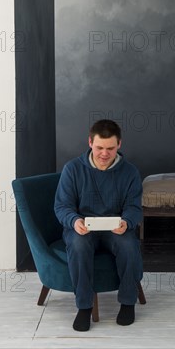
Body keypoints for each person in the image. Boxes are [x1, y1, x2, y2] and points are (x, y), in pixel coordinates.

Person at [54, 119, 143, 332]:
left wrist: (126, 222)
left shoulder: (130, 172)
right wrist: (74, 221)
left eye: (110, 148)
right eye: (99, 147)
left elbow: (134, 207)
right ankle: (84, 307)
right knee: (78, 244)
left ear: (119, 145)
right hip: (82, 227)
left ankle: (128, 303)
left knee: (129, 245)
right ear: (90, 143)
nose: (104, 153)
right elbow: (62, 206)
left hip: (115, 228)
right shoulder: (72, 169)